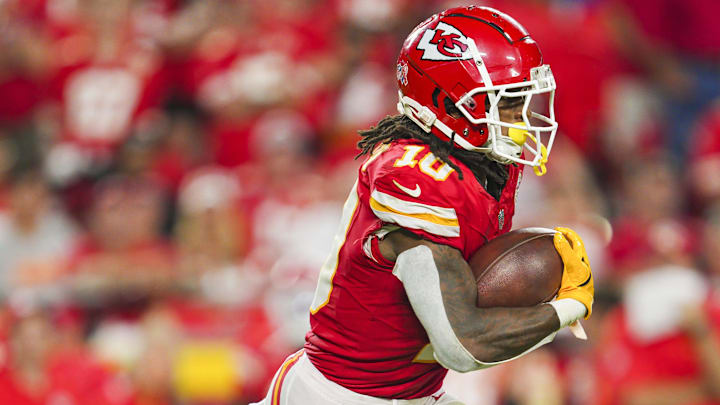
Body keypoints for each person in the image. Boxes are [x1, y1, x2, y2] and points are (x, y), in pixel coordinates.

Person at [251, 6, 594, 405]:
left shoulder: (483, 162)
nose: (521, 120)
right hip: (340, 395)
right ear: (448, 103)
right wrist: (569, 306)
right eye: (506, 103)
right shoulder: (416, 176)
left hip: (412, 392)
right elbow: (461, 345)